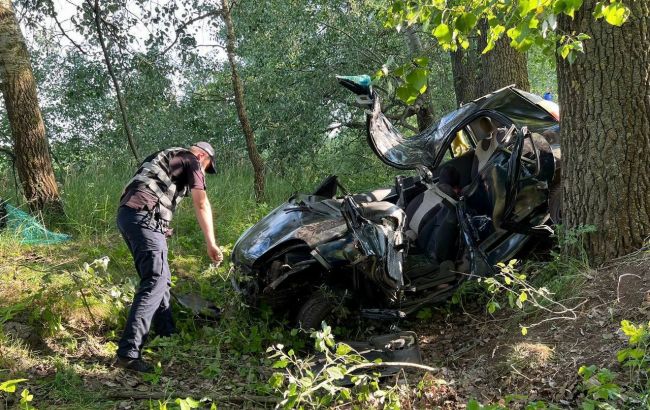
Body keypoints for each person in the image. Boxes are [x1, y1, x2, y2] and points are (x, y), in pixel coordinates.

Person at [114, 142, 223, 372]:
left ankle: (166, 332)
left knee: (161, 279)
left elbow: (147, 188)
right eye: (206, 167)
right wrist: (211, 243)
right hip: (143, 218)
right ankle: (128, 353)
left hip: (130, 216)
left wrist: (159, 225)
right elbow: (201, 202)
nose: (203, 172)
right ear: (202, 155)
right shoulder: (191, 159)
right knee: (154, 281)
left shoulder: (163, 155)